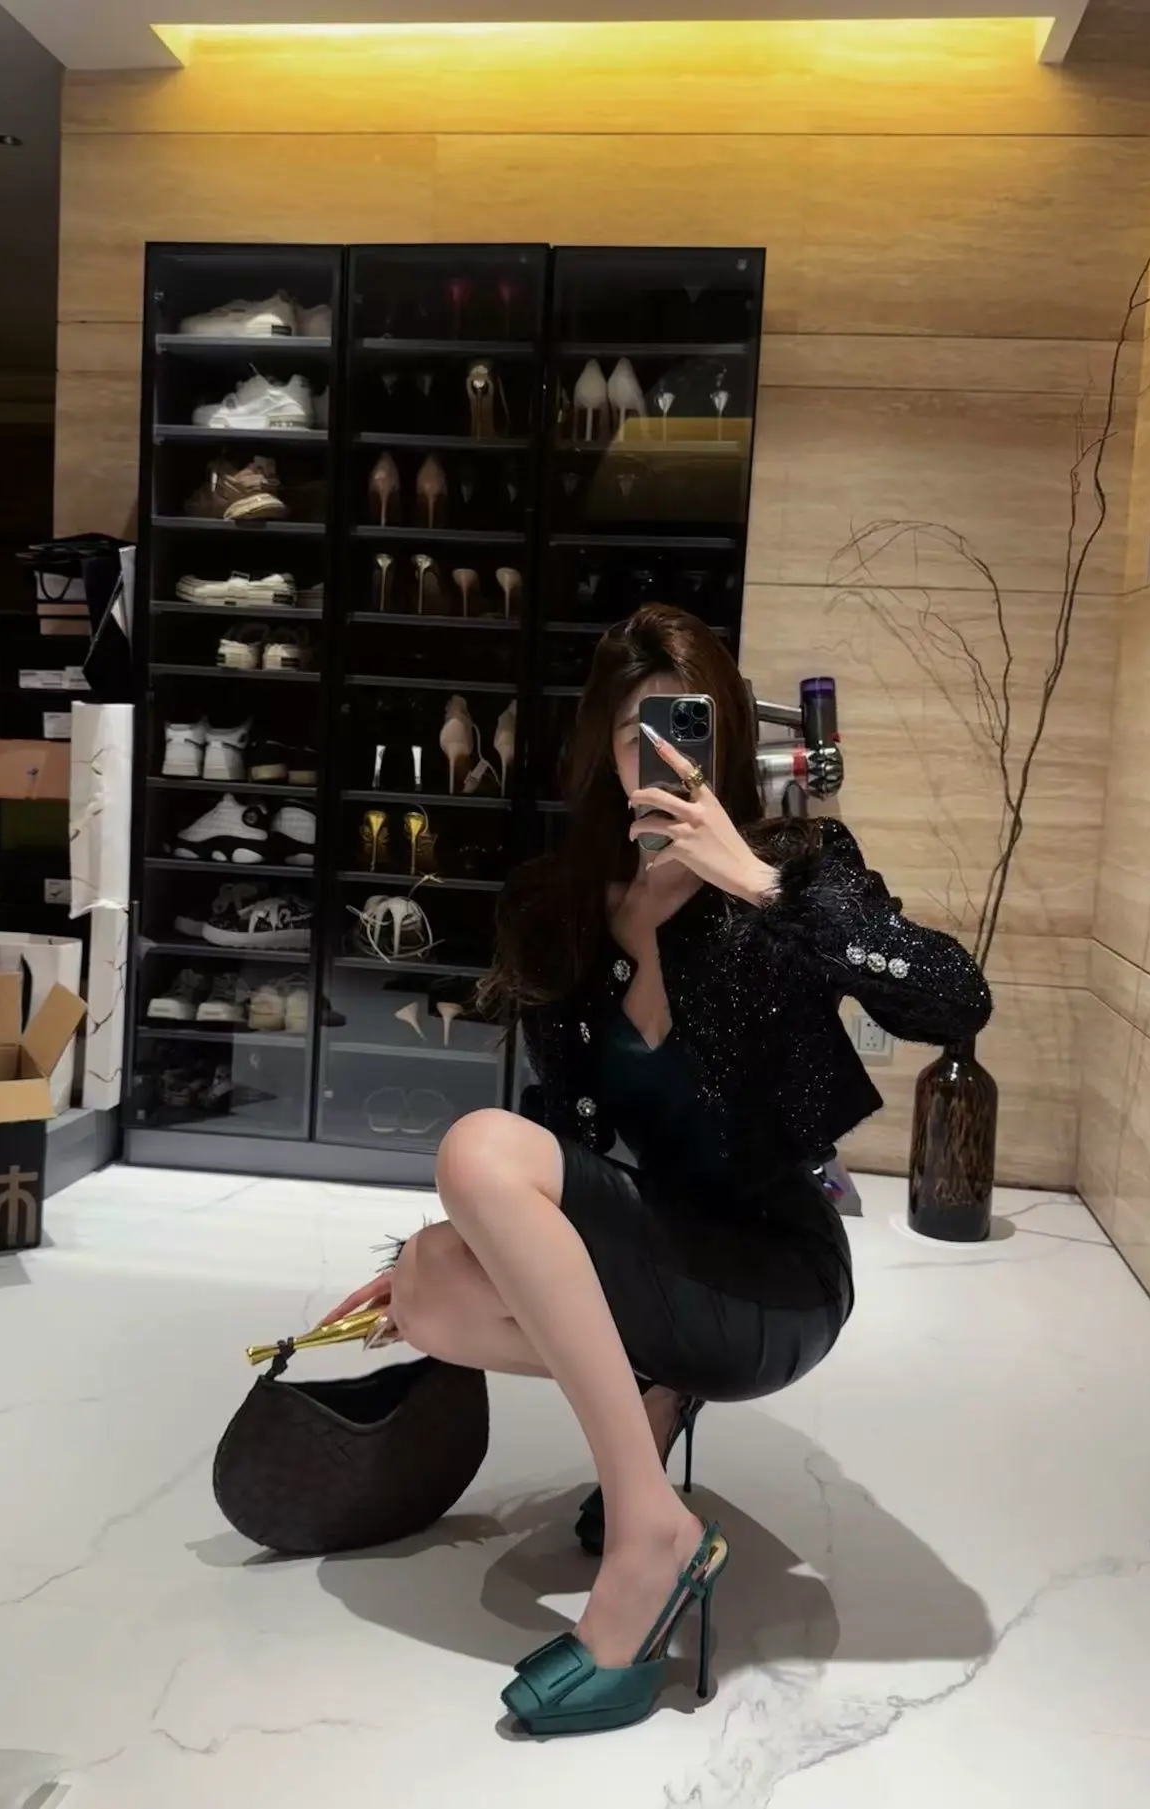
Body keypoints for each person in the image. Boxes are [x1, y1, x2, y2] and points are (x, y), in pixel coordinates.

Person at [321, 605, 991, 1736]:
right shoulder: (555, 902)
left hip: (774, 1274)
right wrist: (471, 1244)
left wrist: (757, 884)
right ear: (603, 746)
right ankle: (654, 1408)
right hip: (660, 1247)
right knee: (431, 1283)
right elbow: (559, 1128)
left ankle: (651, 1532)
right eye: (640, 733)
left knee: (472, 1148)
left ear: (726, 739)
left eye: (692, 729)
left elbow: (956, 998)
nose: (667, 759)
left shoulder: (800, 870)